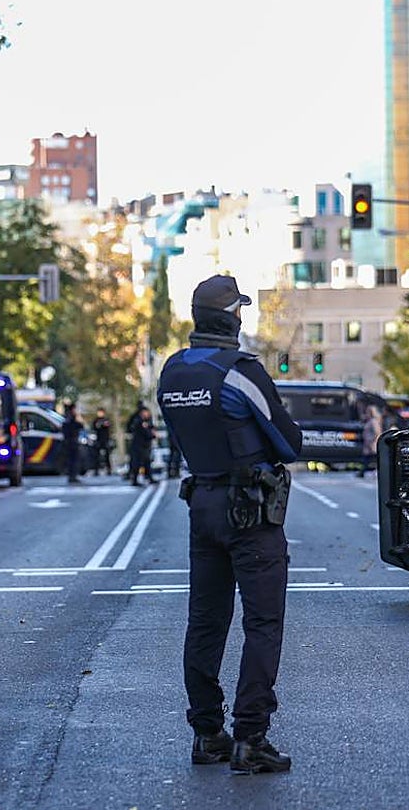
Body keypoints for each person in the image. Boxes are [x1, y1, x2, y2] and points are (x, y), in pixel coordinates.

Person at [157, 274, 303, 775]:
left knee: (205, 622)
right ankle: (251, 737)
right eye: (239, 311)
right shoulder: (240, 372)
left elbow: (180, 436)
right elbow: (289, 443)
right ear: (231, 317)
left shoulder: (172, 372)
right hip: (250, 513)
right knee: (262, 622)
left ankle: (206, 734)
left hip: (202, 504)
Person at [128, 406, 156, 486]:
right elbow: (147, 433)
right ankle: (135, 480)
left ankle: (148, 477)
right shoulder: (139, 422)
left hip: (144, 446)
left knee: (146, 462)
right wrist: (152, 434)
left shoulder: (146, 422)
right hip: (139, 445)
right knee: (137, 463)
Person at [357, 404, 383, 478]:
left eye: (368, 412)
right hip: (368, 444)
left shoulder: (374, 421)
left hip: (372, 444)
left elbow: (377, 432)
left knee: (370, 459)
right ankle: (362, 472)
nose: (366, 413)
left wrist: (374, 442)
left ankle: (362, 472)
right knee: (367, 459)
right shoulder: (369, 421)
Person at [124, 400, 147, 480]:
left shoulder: (134, 417)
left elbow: (129, 427)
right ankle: (135, 477)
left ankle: (133, 476)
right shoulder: (140, 419)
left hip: (136, 441)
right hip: (140, 442)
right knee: (138, 460)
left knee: (136, 460)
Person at [61, 403, 83, 484]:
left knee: (71, 460)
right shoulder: (72, 419)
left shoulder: (66, 418)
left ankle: (72, 476)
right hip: (72, 442)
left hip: (69, 442)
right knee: (74, 460)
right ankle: (73, 476)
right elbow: (80, 426)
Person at [91, 408, 113, 476]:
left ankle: (109, 469)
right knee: (96, 456)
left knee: (107, 456)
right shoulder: (96, 420)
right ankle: (96, 470)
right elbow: (94, 427)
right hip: (98, 439)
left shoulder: (106, 420)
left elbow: (107, 426)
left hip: (105, 439)